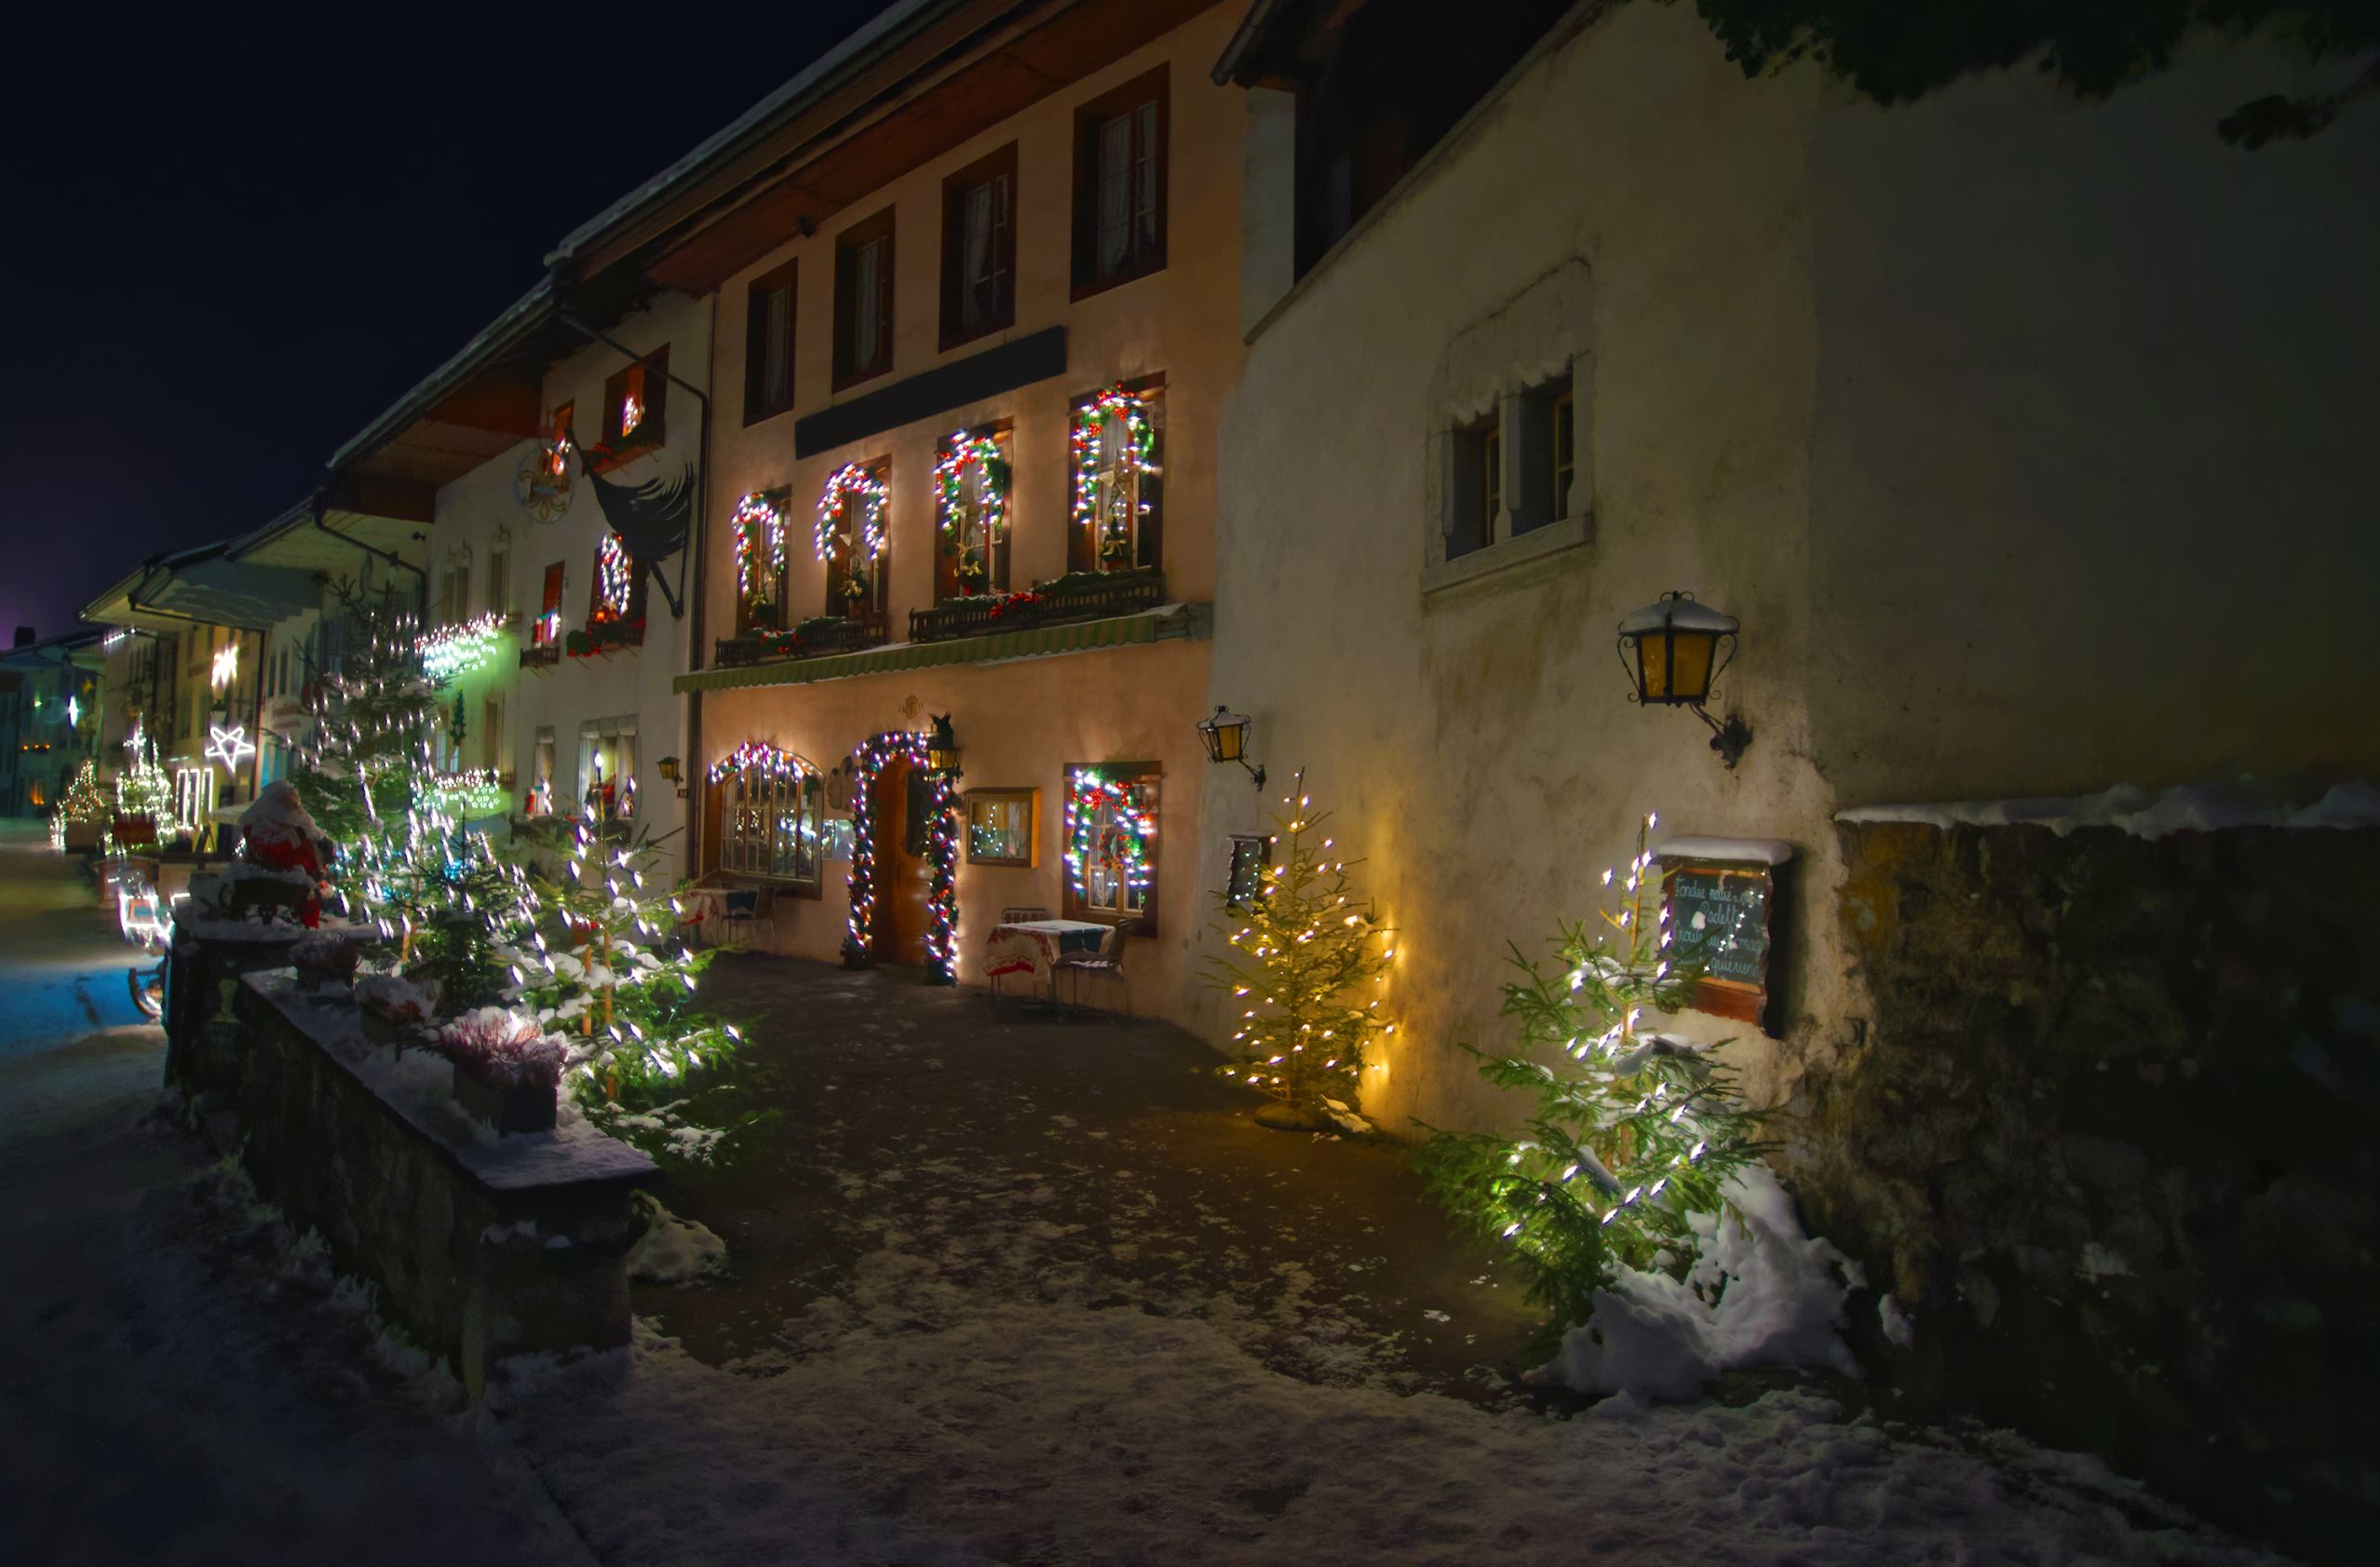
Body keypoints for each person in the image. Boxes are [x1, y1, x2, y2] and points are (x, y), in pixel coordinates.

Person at [237, 779, 330, 925]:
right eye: (290, 802)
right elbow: (269, 853)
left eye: (296, 801)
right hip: (278, 878)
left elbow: (312, 842)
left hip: (302, 879)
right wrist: (294, 839)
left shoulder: (301, 823)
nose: (296, 806)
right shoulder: (263, 826)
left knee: (309, 906)